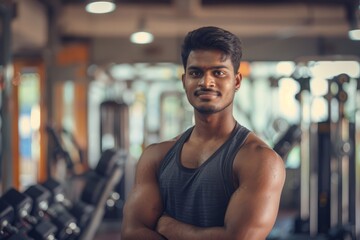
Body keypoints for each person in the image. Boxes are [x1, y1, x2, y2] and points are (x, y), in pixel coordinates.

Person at [121, 26, 286, 240]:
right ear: (184, 81)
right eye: (196, 72)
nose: (206, 82)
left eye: (218, 72)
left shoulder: (260, 161)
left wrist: (171, 228)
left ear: (236, 81)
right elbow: (132, 233)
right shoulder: (156, 157)